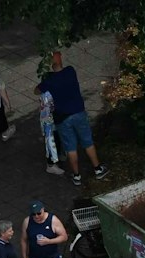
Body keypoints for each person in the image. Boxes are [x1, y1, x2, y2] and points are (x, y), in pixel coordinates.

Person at [37, 52, 108, 185]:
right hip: (78, 113)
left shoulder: (49, 81)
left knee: (71, 147)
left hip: (62, 118)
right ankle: (98, 169)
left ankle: (76, 176)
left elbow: (37, 90)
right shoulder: (70, 71)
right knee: (88, 142)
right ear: (61, 61)